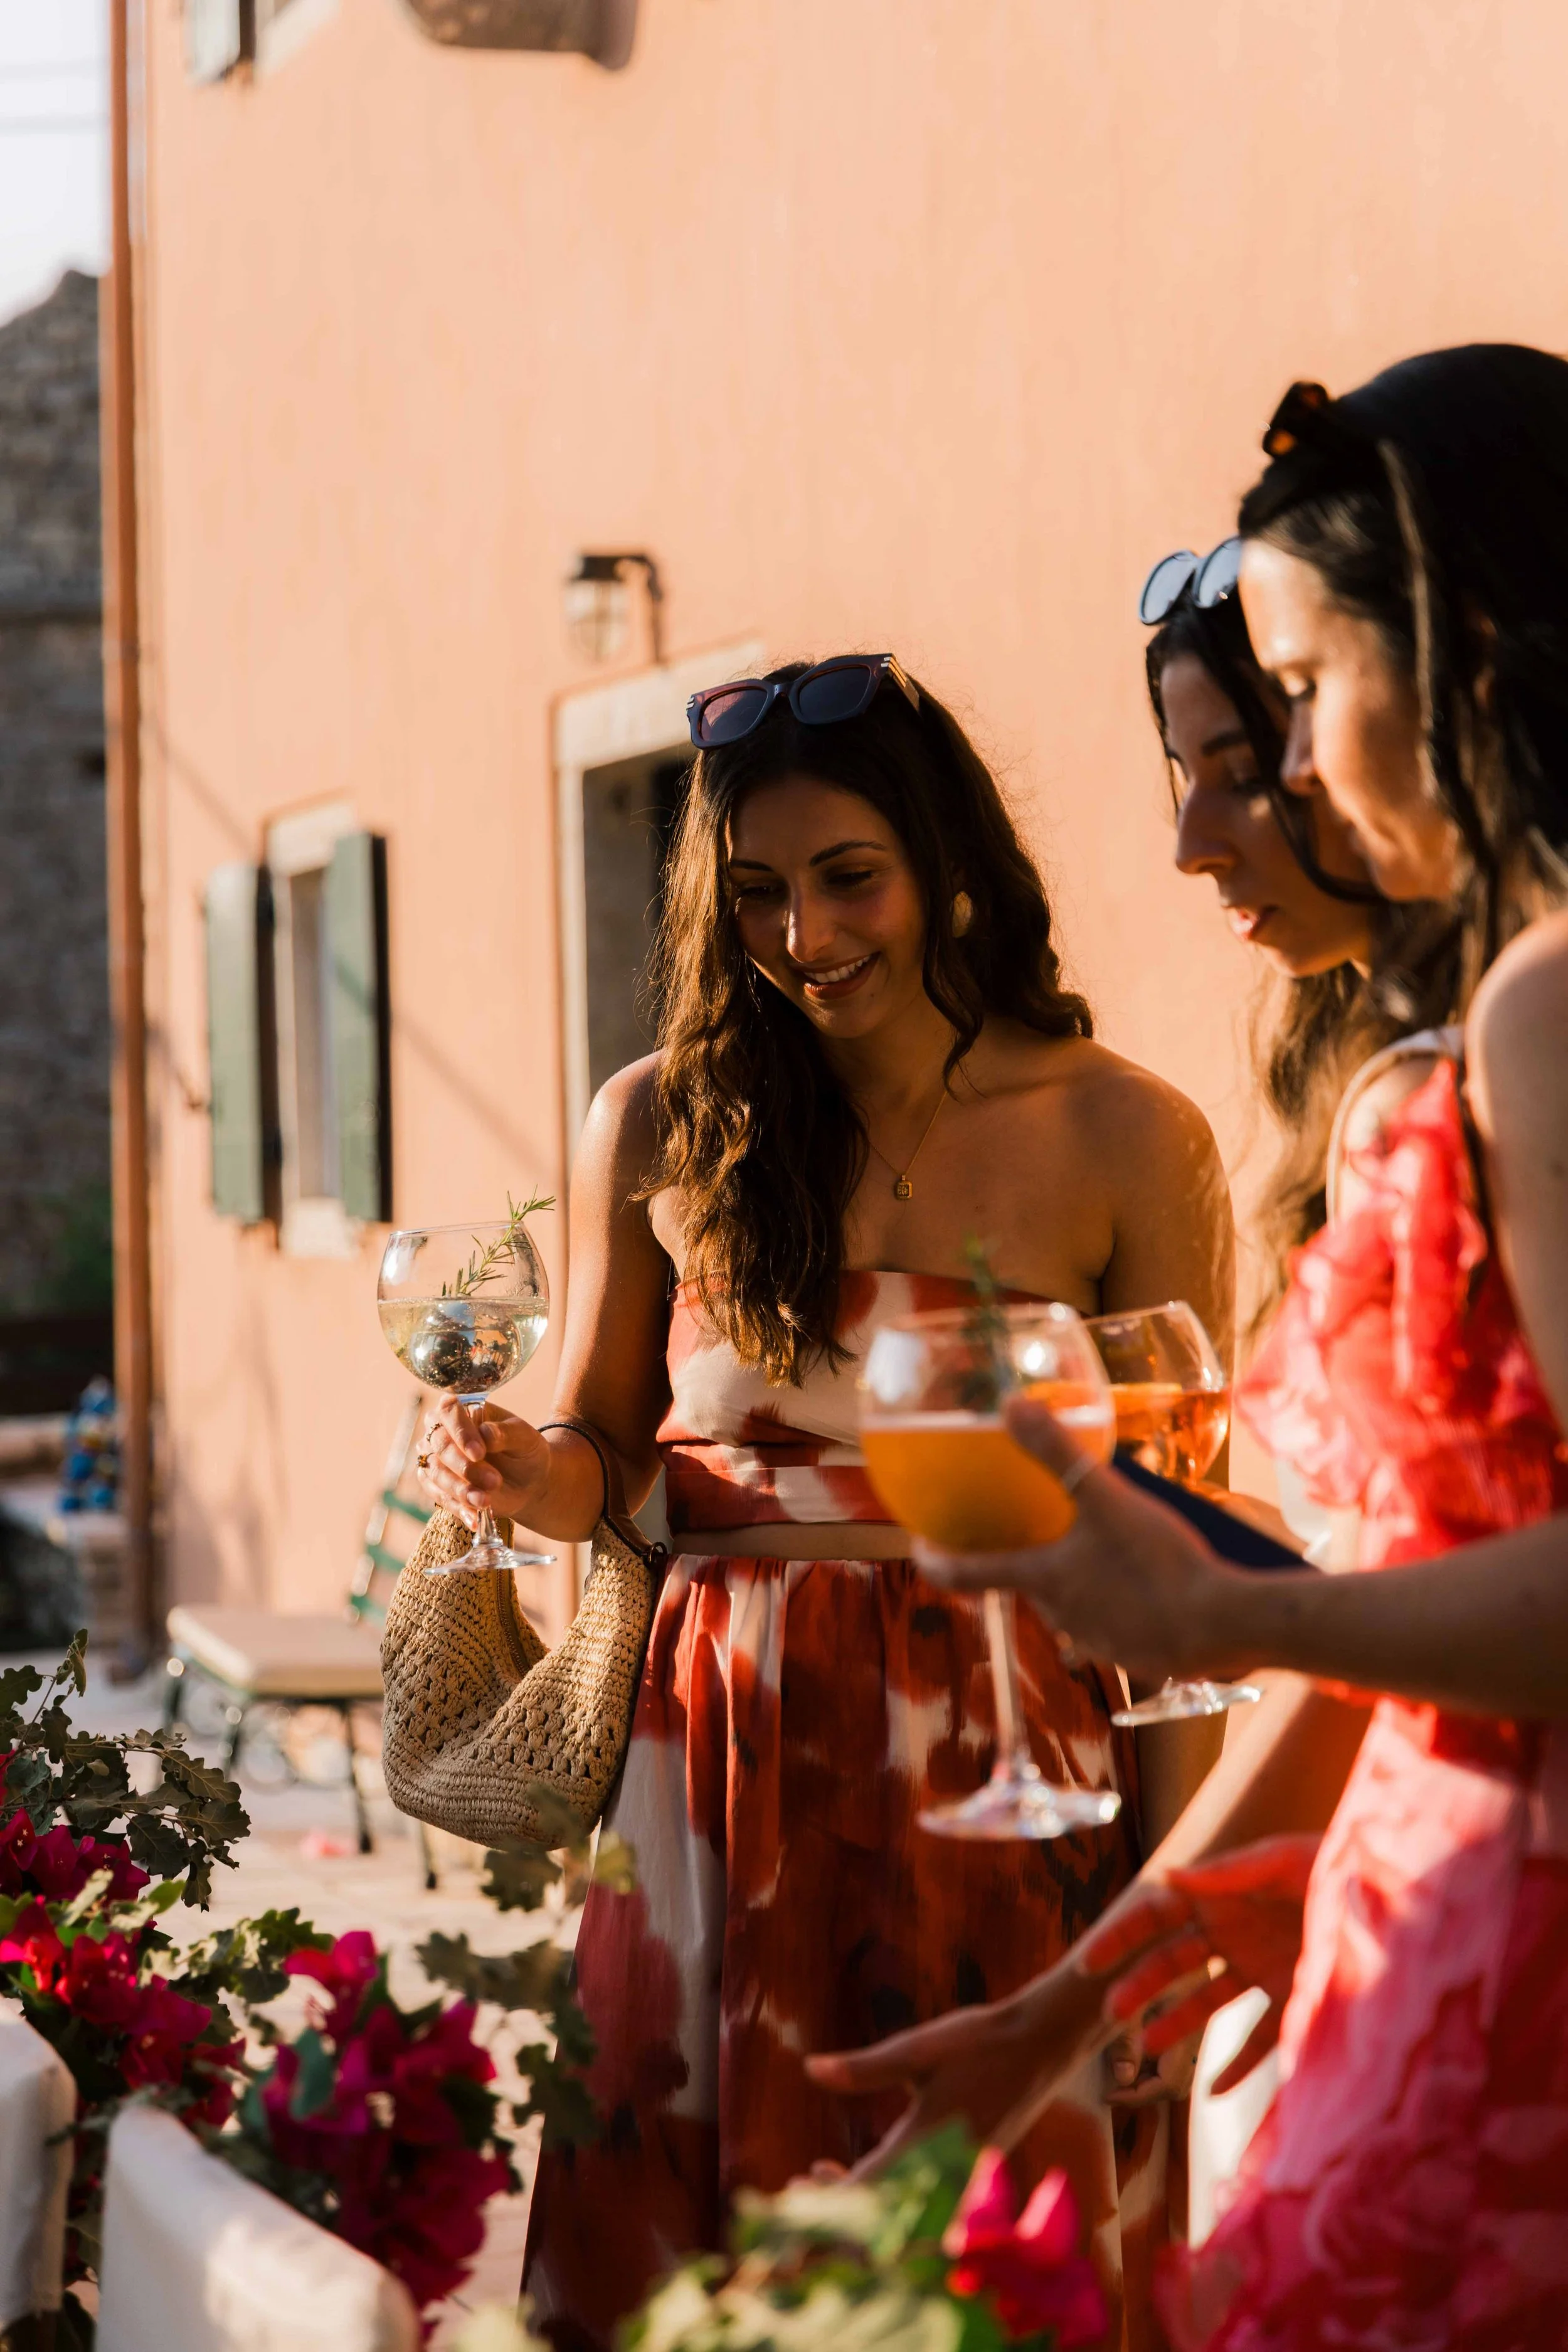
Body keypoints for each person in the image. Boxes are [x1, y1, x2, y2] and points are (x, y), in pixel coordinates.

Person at [817, 351, 1568, 2348]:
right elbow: (1449, 1593)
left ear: (1469, 649)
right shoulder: (1493, 1012)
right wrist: (1063, 2005)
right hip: (1439, 1890)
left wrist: (1215, 1604)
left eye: (1301, 699)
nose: (1294, 777)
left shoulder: (1543, 1012)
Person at [416, 655, 1235, 2350]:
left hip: (1008, 1775)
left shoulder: (1126, 1137)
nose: (805, 937)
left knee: (1002, 2265)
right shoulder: (658, 1123)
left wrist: (1169, 1902)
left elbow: (1178, 1581)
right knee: (692, 2279)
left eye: (845, 877)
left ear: (945, 863)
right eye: (762, 896)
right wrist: (522, 1468)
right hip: (714, 1778)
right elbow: (606, 1447)